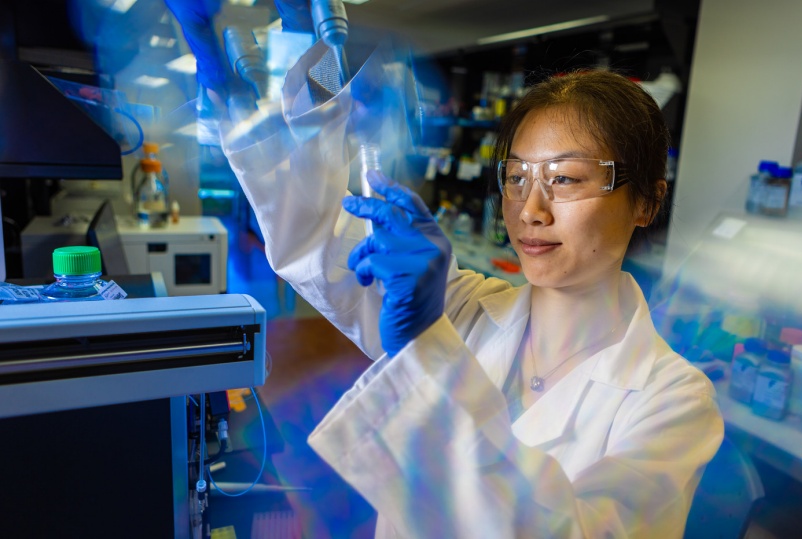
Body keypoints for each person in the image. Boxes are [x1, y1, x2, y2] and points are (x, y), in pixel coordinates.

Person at [223, 43, 724, 534]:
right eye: (516, 177)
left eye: (566, 179)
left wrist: (431, 356)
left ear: (647, 203)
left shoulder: (674, 402)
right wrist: (243, 79)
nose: (531, 210)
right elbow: (320, 242)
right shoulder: (464, 307)